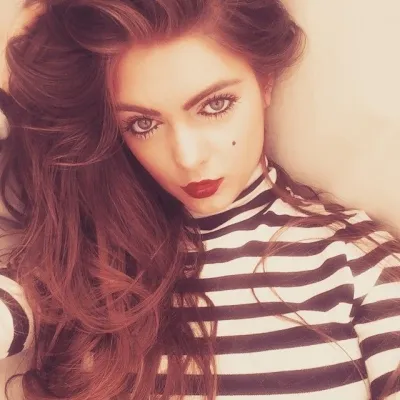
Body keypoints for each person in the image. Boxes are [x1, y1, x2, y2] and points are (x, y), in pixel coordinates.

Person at [0, 0, 399, 399]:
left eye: (215, 105)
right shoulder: (77, 263)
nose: (188, 157)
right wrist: (16, 63)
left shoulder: (359, 264)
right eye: (143, 123)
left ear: (265, 82)